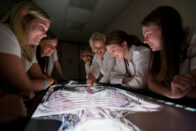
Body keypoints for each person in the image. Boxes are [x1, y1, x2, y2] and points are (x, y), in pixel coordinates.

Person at [141, 6, 196, 98]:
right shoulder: (158, 50)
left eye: (148, 35)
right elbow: (151, 82)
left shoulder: (193, 38)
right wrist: (170, 93)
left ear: (166, 30)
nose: (145, 41)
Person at [0, 1, 53, 94]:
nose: (45, 35)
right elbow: (24, 85)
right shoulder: (4, 32)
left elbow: (38, 77)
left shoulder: (29, 49)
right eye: (42, 28)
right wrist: (48, 82)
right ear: (24, 17)